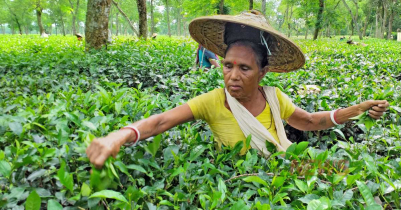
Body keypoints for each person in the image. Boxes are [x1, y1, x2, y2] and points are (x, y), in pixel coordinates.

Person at [86, 10, 389, 168]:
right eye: (228, 65)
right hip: (238, 187)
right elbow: (161, 121)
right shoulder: (213, 101)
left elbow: (309, 122)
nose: (232, 75)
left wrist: (355, 111)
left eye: (244, 68)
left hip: (282, 182)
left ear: (263, 72)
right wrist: (118, 136)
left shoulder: (274, 97)